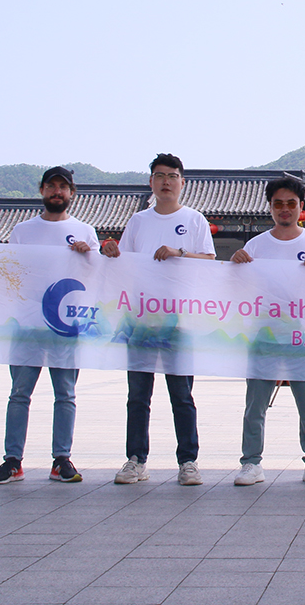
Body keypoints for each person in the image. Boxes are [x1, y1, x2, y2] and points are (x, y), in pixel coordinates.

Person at [0, 167, 99, 485]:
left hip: (65, 324)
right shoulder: (23, 231)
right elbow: (11, 271)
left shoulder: (85, 231)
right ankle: (12, 461)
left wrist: (88, 256)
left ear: (72, 194)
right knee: (19, 393)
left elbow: (98, 279)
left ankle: (62, 459)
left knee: (65, 394)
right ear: (42, 190)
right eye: (51, 186)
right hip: (27, 322)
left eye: (63, 187)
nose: (57, 192)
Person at [102, 153, 215, 486]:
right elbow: (123, 262)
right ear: (151, 182)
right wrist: (109, 251)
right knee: (138, 395)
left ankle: (188, 461)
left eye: (172, 176)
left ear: (182, 182)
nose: (166, 182)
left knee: (182, 395)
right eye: (160, 176)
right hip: (140, 319)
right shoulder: (138, 221)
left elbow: (209, 260)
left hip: (180, 321)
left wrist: (179, 252)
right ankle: (136, 460)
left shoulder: (194, 219)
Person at [231, 176, 305, 487]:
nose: (285, 209)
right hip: (264, 332)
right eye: (278, 204)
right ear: (270, 207)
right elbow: (238, 288)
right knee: (255, 403)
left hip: (302, 333)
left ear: (301, 207)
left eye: (291, 203)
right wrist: (236, 264)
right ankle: (251, 463)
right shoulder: (256, 245)